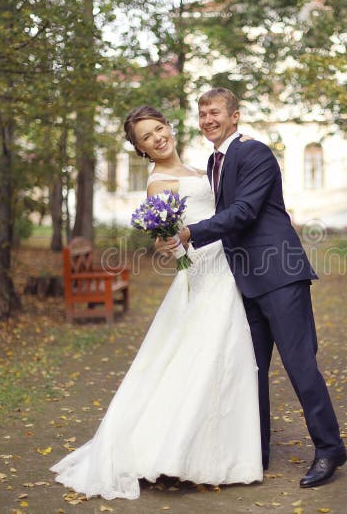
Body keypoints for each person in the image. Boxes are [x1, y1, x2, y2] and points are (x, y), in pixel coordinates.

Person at [50, 106, 262, 500]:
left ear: (169, 127)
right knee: (206, 354)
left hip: (225, 265)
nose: (157, 138)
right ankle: (177, 451)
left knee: (224, 355)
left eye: (159, 129)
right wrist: (168, 245)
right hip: (203, 271)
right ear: (142, 149)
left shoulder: (202, 170)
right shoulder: (159, 183)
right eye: (146, 137)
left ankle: (219, 450)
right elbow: (165, 242)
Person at [165, 88, 347, 488]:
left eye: (215, 112)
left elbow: (244, 212)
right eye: (202, 114)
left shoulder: (254, 153)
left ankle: (329, 449)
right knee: (252, 370)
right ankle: (256, 450)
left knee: (300, 365)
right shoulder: (214, 162)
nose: (207, 119)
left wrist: (190, 233)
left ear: (235, 116)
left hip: (279, 274)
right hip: (243, 279)